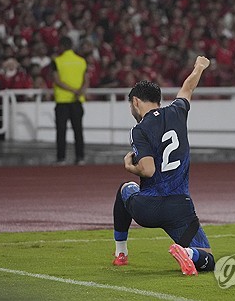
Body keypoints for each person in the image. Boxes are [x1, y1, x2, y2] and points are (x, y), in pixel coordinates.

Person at [112, 56, 215, 275]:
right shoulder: (178, 111)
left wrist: (131, 168)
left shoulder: (139, 129)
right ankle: (189, 254)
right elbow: (188, 87)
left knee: (125, 188)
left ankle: (121, 253)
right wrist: (199, 67)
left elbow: (148, 170)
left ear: (136, 102)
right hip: (180, 207)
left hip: (148, 208)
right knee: (208, 258)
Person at [51, 36, 88, 165]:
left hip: (62, 100)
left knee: (61, 131)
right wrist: (79, 91)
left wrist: (72, 90)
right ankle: (80, 157)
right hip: (77, 100)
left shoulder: (57, 61)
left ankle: (61, 158)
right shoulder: (81, 61)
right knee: (78, 130)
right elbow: (86, 80)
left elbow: (57, 80)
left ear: (61, 46)